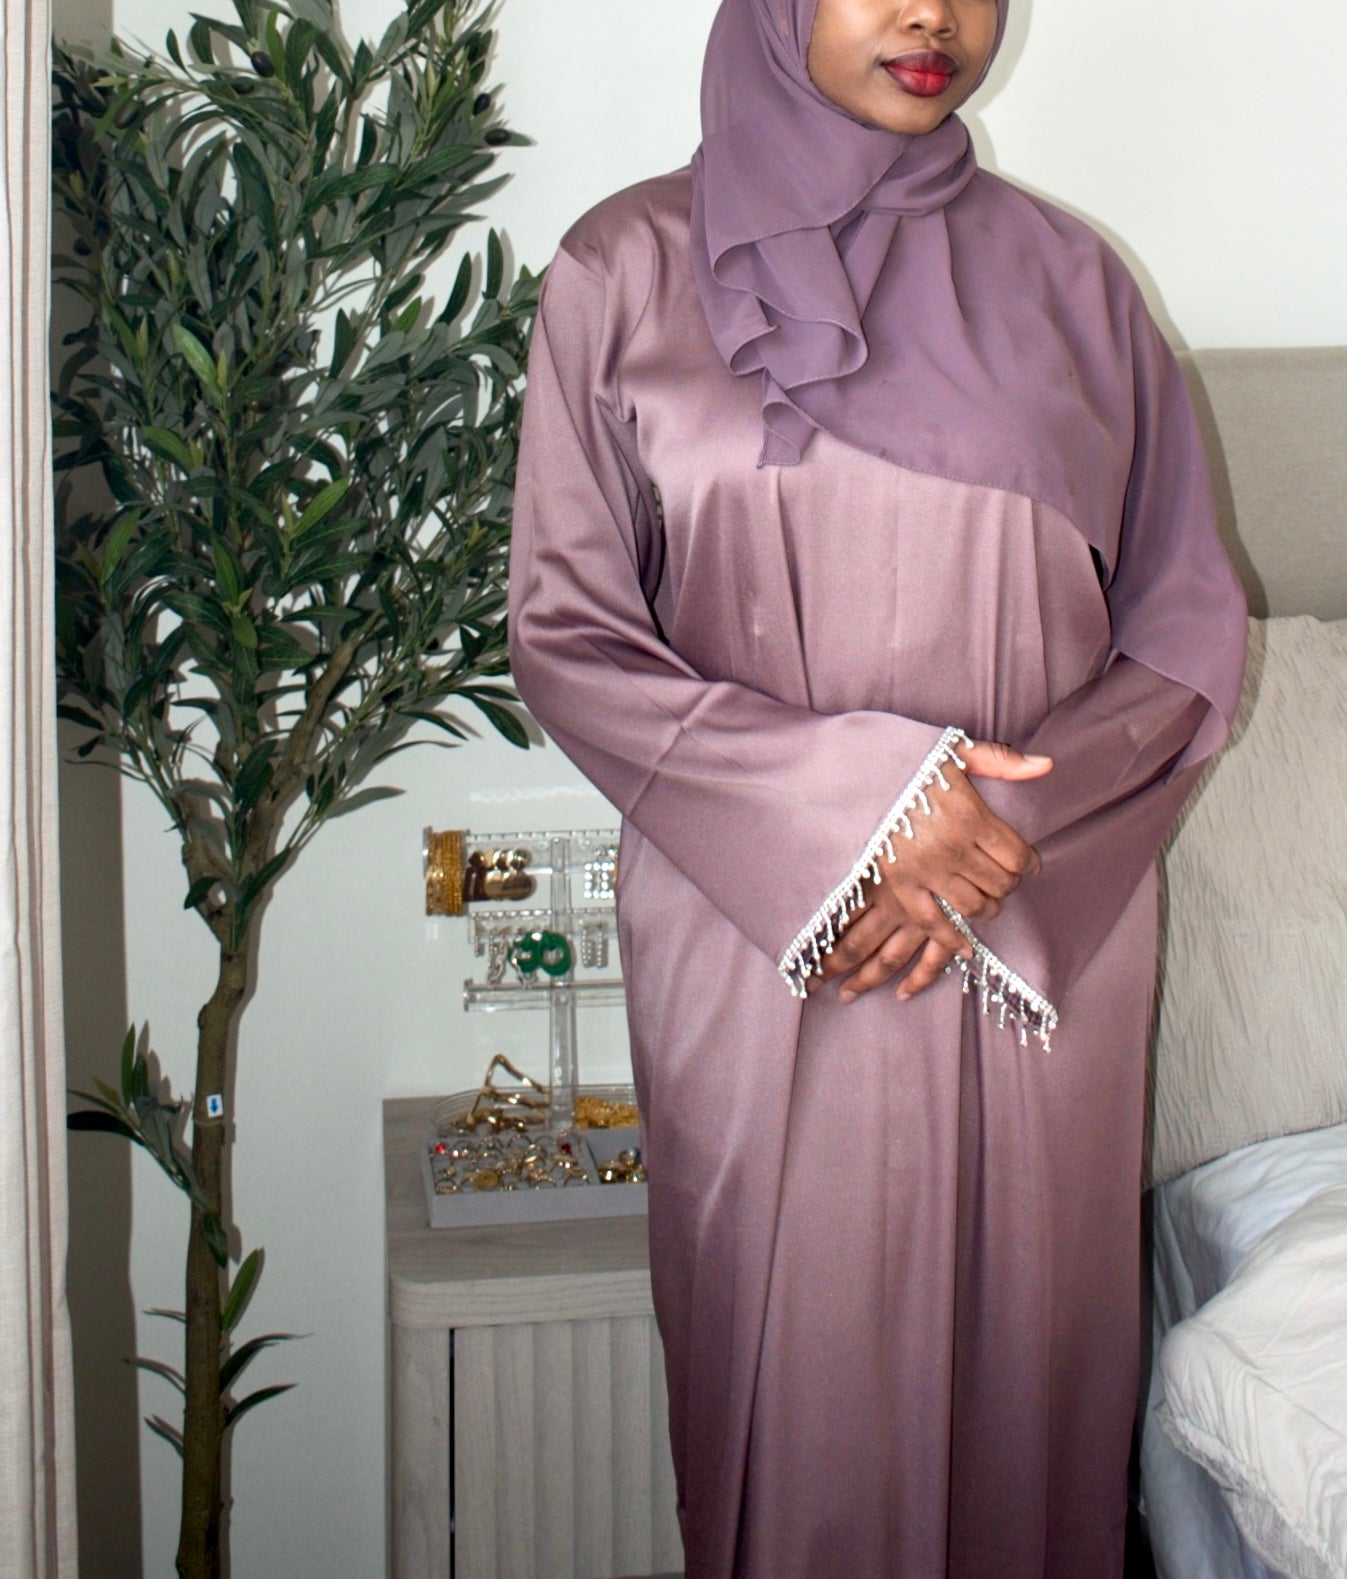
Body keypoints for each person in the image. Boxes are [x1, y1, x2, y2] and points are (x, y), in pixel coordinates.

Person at [507, 1, 1247, 1574]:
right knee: (797, 1419)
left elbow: (1184, 635)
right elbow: (570, 633)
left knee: (1028, 1414)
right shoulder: (622, 272)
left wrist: (997, 838)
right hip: (764, 940)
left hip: (1038, 936)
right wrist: (862, 814)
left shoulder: (1075, 286)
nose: (935, 16)